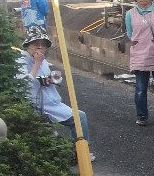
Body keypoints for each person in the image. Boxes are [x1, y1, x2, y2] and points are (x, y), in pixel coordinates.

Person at [16, 26, 95, 160]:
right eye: (36, 44)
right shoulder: (21, 61)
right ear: (28, 46)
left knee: (80, 117)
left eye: (43, 45)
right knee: (50, 137)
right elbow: (25, 84)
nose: (40, 48)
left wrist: (55, 76)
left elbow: (54, 79)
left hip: (52, 102)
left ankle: (80, 151)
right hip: (35, 105)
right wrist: (36, 63)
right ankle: (62, 155)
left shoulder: (44, 61)